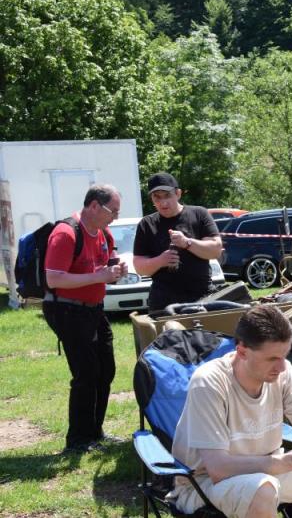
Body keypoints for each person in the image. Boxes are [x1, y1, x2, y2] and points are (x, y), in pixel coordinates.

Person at [169, 305, 292, 518]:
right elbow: (218, 468)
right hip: (204, 485)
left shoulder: (284, 372)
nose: (282, 367)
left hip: (269, 472)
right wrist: (291, 461)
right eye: (272, 359)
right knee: (263, 489)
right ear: (242, 352)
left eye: (285, 355)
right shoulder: (209, 382)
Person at [43, 184, 127, 454]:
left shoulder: (103, 232)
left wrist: (117, 270)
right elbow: (53, 278)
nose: (115, 216)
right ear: (93, 206)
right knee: (86, 374)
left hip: (93, 308)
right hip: (66, 309)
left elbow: (108, 261)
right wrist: (98, 277)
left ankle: (95, 431)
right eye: (111, 211)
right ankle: (77, 440)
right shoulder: (65, 233)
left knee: (106, 369)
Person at [133, 172, 222, 312]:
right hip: (163, 301)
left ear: (178, 194)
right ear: (151, 198)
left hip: (201, 297)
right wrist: (161, 260)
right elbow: (139, 267)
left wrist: (187, 242)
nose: (163, 203)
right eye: (157, 197)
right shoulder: (146, 224)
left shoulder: (199, 214)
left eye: (167, 196)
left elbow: (215, 250)